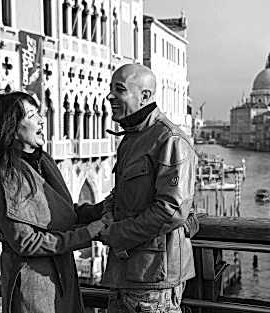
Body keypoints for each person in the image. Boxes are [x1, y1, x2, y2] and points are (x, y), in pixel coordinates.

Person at [0, 91, 107, 313]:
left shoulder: (43, 161)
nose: (42, 120)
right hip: (35, 284)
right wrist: (89, 233)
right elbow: (26, 242)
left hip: (61, 275)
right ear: (12, 128)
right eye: (32, 115)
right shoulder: (6, 177)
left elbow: (60, 214)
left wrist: (100, 209)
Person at [98, 64, 198, 312]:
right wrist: (90, 213)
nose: (110, 96)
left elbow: (172, 210)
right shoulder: (131, 139)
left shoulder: (170, 140)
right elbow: (124, 196)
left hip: (154, 280)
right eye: (110, 89)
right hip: (127, 274)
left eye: (119, 90)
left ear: (145, 96)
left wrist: (116, 233)